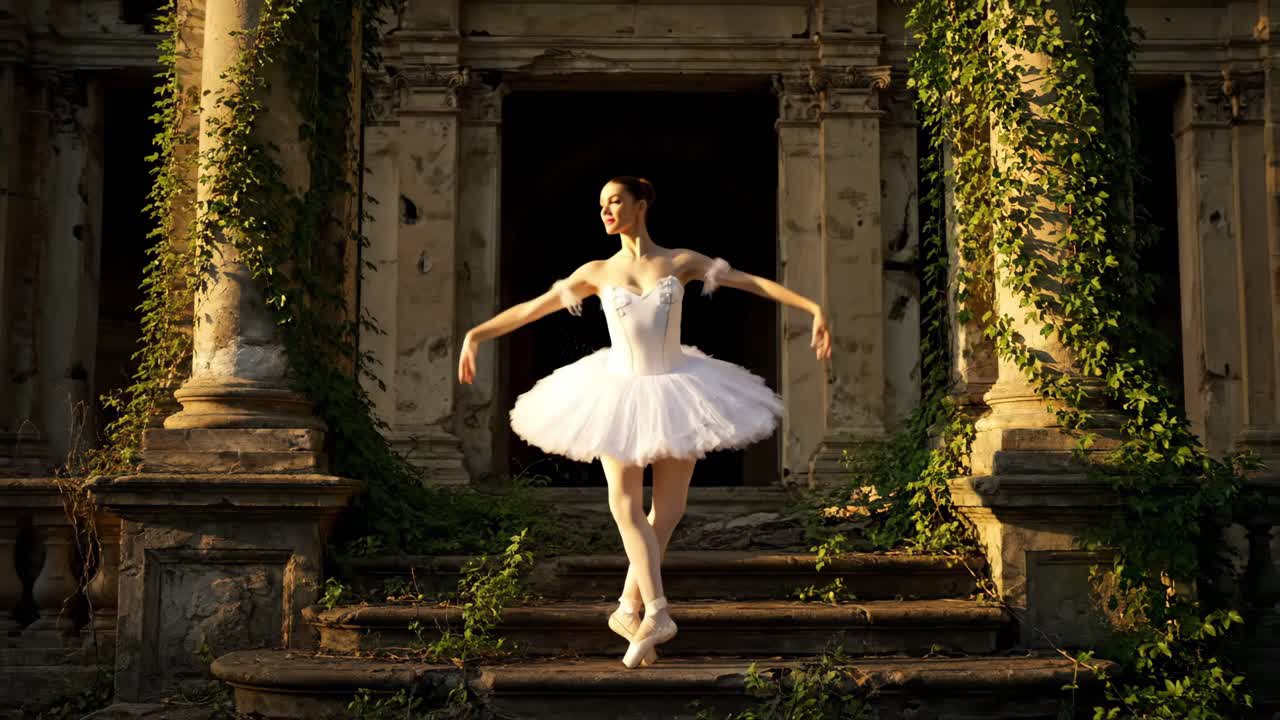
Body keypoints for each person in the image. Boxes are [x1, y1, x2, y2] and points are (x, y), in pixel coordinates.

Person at [457, 175, 832, 669]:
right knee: (625, 505)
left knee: (670, 510)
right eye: (601, 205)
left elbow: (749, 281)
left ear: (640, 205)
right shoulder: (595, 270)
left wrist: (813, 307)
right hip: (616, 391)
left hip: (679, 386)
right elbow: (533, 308)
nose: (605, 212)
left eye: (615, 202)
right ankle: (657, 609)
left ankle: (627, 607)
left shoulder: (680, 261)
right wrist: (476, 335)